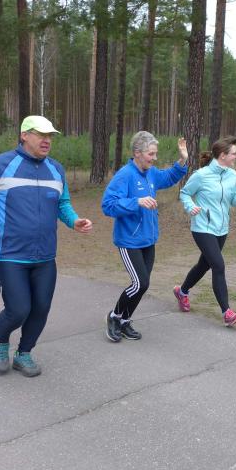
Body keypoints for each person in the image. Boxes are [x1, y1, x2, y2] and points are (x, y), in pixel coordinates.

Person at [0, 115, 93, 377]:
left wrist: (74, 220)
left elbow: (62, 203)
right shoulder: (0, 164)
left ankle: (24, 353)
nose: (46, 140)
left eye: (50, 136)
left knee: (41, 308)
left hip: (45, 255)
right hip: (9, 254)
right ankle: (0, 341)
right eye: (40, 134)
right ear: (24, 135)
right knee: (18, 310)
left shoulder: (56, 169)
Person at [102, 131, 189, 343]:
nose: (154, 158)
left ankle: (125, 321)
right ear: (137, 153)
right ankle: (114, 317)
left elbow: (168, 177)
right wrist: (136, 202)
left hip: (148, 240)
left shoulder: (151, 173)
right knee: (139, 283)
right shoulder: (125, 175)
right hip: (129, 241)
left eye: (155, 153)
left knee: (143, 284)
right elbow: (108, 205)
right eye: (151, 154)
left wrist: (182, 160)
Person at [175, 137, 236, 326]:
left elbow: (234, 203)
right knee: (218, 265)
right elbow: (184, 193)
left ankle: (182, 291)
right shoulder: (201, 175)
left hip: (221, 229)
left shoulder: (232, 175)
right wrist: (190, 206)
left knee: (204, 265)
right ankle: (227, 313)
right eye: (234, 154)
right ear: (223, 155)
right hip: (202, 227)